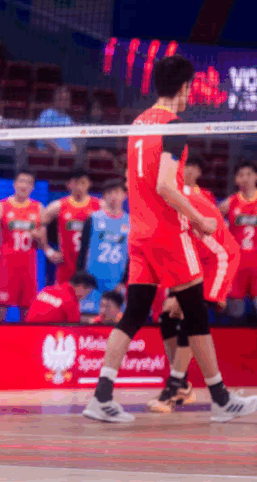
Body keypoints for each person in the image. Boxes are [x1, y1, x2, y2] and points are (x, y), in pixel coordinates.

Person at [83, 55, 257, 423]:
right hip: (167, 233)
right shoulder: (174, 125)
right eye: (190, 88)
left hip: (138, 234)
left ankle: (101, 396)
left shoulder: (138, 123)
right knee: (196, 314)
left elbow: (138, 180)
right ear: (183, 88)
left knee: (133, 313)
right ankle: (221, 400)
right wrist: (198, 218)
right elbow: (164, 184)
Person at [148, 184, 240, 413]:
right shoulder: (164, 199)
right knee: (167, 316)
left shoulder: (173, 196)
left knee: (191, 318)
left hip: (219, 259)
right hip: (195, 261)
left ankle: (174, 386)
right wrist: (174, 294)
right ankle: (182, 384)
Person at [0, 170, 44, 322]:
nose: (24, 185)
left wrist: (39, 237)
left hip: (28, 272)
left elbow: (42, 245)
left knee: (28, 317)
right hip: (5, 270)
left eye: (28, 182)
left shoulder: (39, 208)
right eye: (21, 181)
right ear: (14, 184)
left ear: (33, 187)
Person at [40, 167, 102, 285]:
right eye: (76, 183)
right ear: (68, 185)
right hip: (66, 267)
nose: (79, 187)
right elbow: (37, 226)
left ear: (89, 184)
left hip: (90, 267)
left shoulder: (99, 206)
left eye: (83, 183)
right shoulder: (58, 206)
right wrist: (48, 251)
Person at [77, 180, 130, 317]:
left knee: (115, 320)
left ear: (124, 195)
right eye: (109, 193)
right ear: (104, 197)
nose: (113, 196)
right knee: (87, 318)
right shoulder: (93, 219)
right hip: (92, 281)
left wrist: (124, 282)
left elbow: (132, 256)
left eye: (117, 192)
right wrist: (81, 281)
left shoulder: (130, 223)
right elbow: (83, 251)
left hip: (116, 281)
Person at [220, 160, 256, 321]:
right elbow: (213, 227)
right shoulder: (229, 203)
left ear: (256, 176)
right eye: (241, 175)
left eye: (249, 174)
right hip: (237, 266)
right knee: (236, 315)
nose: (245, 178)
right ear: (235, 179)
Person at [24, 271, 98, 323]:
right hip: (44, 337)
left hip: (26, 331)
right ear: (81, 287)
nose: (86, 297)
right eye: (88, 292)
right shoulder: (71, 302)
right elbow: (75, 329)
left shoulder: (47, 289)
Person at [36, 85, 77, 153]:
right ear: (55, 99)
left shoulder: (68, 118)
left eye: (66, 99)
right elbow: (43, 135)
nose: (63, 102)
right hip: (48, 154)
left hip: (66, 155)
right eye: (61, 99)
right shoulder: (47, 114)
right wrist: (57, 149)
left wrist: (74, 149)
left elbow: (71, 141)